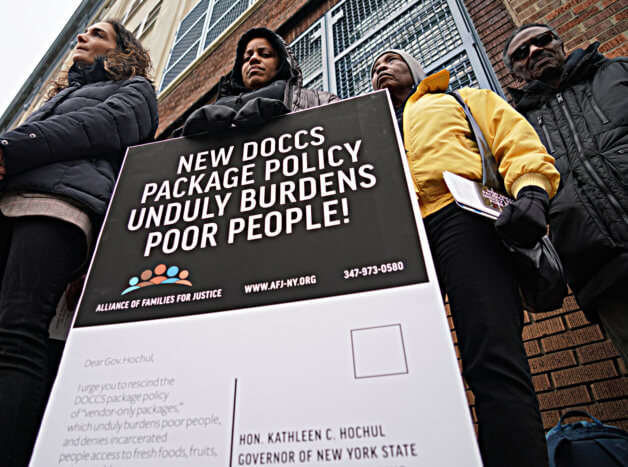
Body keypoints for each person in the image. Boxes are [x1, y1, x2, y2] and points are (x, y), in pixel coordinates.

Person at [0, 19, 158, 466]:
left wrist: (12, 148)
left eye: (97, 34)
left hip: (53, 205)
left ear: (123, 50)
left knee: (17, 337)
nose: (82, 37)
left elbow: (107, 124)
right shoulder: (55, 99)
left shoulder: (135, 89)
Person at [371, 49, 560, 466]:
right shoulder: (365, 128)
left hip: (463, 216)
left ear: (415, 70)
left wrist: (531, 190)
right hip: (396, 237)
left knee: (492, 353)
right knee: (392, 367)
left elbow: (514, 139)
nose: (379, 68)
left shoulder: (461, 99)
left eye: (389, 60)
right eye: (373, 68)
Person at [504, 23, 628, 364]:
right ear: (515, 73)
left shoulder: (616, 72)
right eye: (521, 53)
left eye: (541, 40)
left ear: (560, 43)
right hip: (603, 275)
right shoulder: (517, 126)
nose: (534, 51)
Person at [179, 27, 338, 136]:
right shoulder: (210, 110)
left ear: (282, 63)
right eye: (247, 58)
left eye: (265, 54)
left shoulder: (320, 100)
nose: (253, 59)